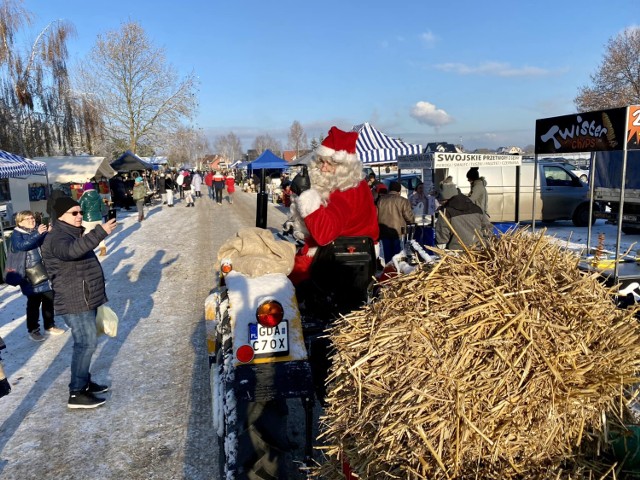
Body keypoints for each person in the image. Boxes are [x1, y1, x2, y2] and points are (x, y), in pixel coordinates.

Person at [41, 197, 117, 409]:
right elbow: (71, 252)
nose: (79, 216)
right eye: (74, 213)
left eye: (80, 212)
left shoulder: (71, 233)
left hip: (84, 297)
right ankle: (76, 393)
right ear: (60, 216)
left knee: (87, 343)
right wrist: (99, 233)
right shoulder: (57, 237)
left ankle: (83, 382)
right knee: (86, 344)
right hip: (75, 300)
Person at [289, 125, 379, 285]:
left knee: (284, 279)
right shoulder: (357, 184)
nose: (323, 168)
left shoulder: (344, 191)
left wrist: (307, 198)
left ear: (344, 166)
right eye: (321, 162)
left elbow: (325, 234)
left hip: (334, 258)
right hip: (357, 255)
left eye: (330, 163)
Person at [10, 211, 64, 342]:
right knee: (34, 303)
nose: (31, 220)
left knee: (48, 299)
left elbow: (43, 244)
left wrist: (48, 233)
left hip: (44, 270)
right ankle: (33, 330)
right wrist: (38, 233)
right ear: (20, 222)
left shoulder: (35, 230)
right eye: (27, 219)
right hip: (30, 274)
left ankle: (50, 325)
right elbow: (22, 246)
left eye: (32, 218)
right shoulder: (16, 234)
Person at [435, 182, 492, 250]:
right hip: (479, 251)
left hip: (457, 254)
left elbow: (442, 237)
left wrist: (440, 250)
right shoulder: (477, 208)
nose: (439, 203)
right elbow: (487, 230)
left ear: (445, 199)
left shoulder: (445, 212)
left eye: (440, 200)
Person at [376, 181, 415, 263]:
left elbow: (376, 215)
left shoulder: (381, 200)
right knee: (398, 255)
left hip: (384, 231)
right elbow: (409, 217)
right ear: (399, 191)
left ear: (389, 189)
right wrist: (413, 221)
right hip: (398, 231)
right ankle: (397, 271)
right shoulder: (403, 201)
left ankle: (389, 271)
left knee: (387, 254)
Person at [79, 182, 108, 256]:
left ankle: (86, 249)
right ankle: (103, 248)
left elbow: (81, 209)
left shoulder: (84, 197)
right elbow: (102, 207)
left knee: (86, 234)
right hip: (98, 218)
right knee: (100, 233)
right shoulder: (98, 196)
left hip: (87, 219)